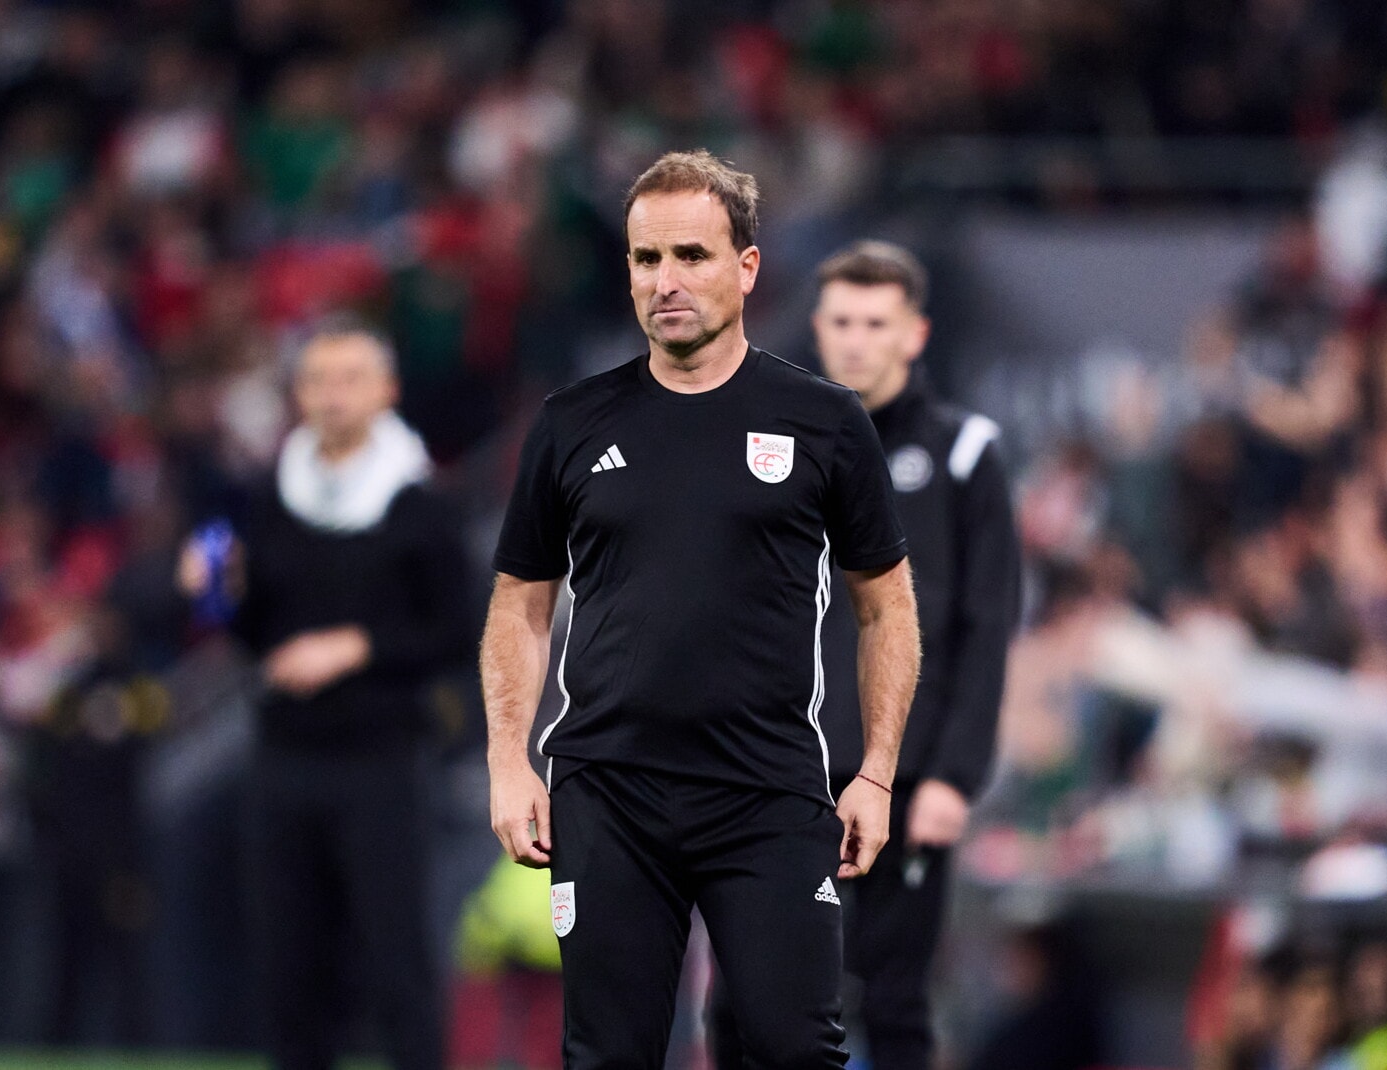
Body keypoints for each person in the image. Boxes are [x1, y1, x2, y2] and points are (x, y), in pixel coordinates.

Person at [481, 149, 921, 1069]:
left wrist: (877, 775)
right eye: (647, 259)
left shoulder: (825, 422)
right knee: (606, 1056)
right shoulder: (570, 423)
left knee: (795, 1050)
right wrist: (508, 763)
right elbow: (520, 603)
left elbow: (886, 606)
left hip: (768, 791)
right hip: (607, 793)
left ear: (747, 267)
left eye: (691, 255)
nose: (666, 281)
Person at [714, 241, 1021, 1070]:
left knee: (893, 997)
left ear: (915, 334)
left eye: (876, 323)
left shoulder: (963, 454)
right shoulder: (768, 445)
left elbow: (987, 626)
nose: (856, 341)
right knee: (740, 995)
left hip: (906, 778)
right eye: (841, 322)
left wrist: (954, 775)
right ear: (816, 329)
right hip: (776, 770)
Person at [177, 323, 474, 1070]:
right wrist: (217, 592)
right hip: (286, 755)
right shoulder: (272, 498)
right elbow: (255, 633)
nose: (332, 395)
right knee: (290, 961)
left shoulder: (419, 504)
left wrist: (358, 646)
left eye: (350, 378)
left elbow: (456, 628)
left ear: (387, 391)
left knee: (396, 955)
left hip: (382, 758)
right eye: (317, 380)